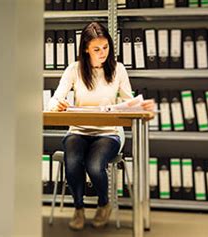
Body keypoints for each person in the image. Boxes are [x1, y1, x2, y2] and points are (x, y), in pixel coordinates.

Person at [47, 22, 155, 230]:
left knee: (94, 165)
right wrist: (57, 104)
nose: (102, 53)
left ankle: (104, 203)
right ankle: (78, 208)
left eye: (105, 47)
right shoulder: (74, 69)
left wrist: (139, 105)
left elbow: (129, 101)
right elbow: (54, 100)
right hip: (78, 131)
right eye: (97, 49)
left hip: (109, 133)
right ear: (86, 49)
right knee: (73, 162)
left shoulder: (118, 70)